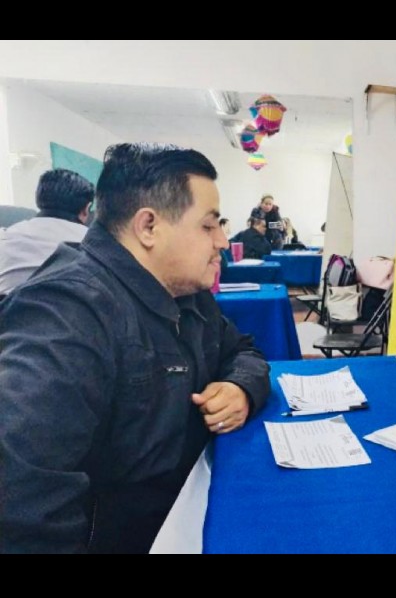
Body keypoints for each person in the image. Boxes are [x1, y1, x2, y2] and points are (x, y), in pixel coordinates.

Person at [0, 143, 271, 554]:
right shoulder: (65, 316)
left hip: (190, 506)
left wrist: (240, 388)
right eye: (208, 226)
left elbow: (243, 352)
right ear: (148, 227)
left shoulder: (186, 293)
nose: (221, 241)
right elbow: (21, 500)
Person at [0, 169, 94, 296]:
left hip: (8, 307)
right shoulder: (94, 245)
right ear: (86, 209)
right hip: (69, 307)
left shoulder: (5, 237)